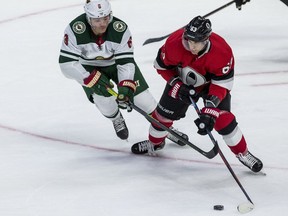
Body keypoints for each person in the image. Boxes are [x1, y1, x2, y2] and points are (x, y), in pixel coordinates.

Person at [131, 16, 263, 173]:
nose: (191, 46)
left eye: (196, 42)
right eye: (189, 40)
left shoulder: (222, 51)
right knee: (162, 117)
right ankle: (155, 143)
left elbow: (221, 85)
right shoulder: (174, 44)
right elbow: (161, 67)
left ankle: (243, 153)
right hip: (182, 81)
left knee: (223, 119)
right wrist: (177, 85)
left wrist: (209, 110)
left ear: (206, 39)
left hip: (211, 86)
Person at [58, 0, 157, 140]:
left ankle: (165, 126)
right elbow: (66, 64)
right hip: (88, 67)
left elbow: (125, 62)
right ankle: (116, 118)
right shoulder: (75, 29)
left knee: (143, 99)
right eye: (97, 20)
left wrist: (125, 85)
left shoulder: (119, 29)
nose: (103, 23)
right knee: (104, 101)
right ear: (88, 17)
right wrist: (89, 78)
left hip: (116, 63)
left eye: (105, 18)